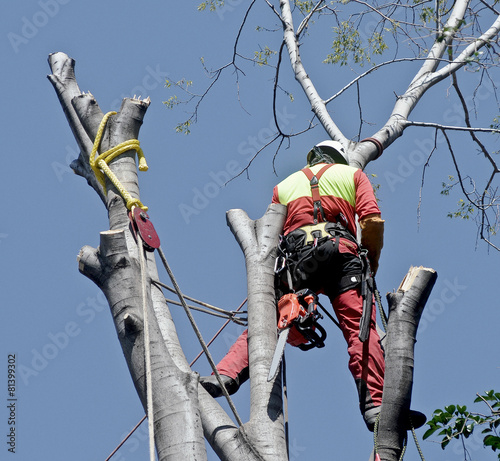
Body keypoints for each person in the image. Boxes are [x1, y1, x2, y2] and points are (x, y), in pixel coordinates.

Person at [200, 140, 425, 431]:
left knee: (270, 321)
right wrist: (370, 266)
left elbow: (271, 234)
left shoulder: (283, 186)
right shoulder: (353, 176)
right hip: (342, 256)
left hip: (298, 262)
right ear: (340, 160)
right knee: (360, 329)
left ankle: (225, 375)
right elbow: (371, 222)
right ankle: (374, 406)